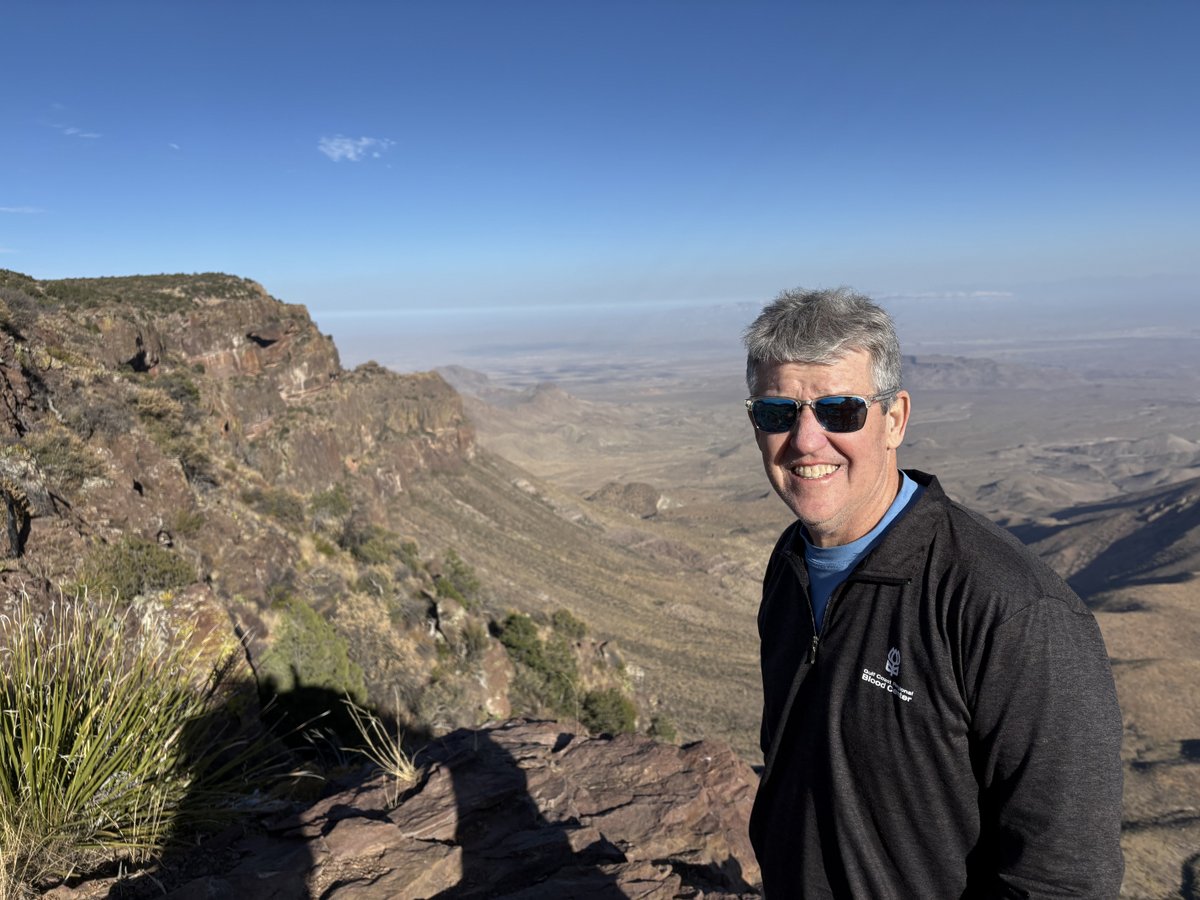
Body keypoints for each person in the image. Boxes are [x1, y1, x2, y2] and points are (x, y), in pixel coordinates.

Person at [742, 287, 1124, 898]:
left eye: (840, 410)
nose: (807, 440)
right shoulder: (791, 562)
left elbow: (1064, 878)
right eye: (777, 413)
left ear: (894, 419)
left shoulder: (1009, 608)